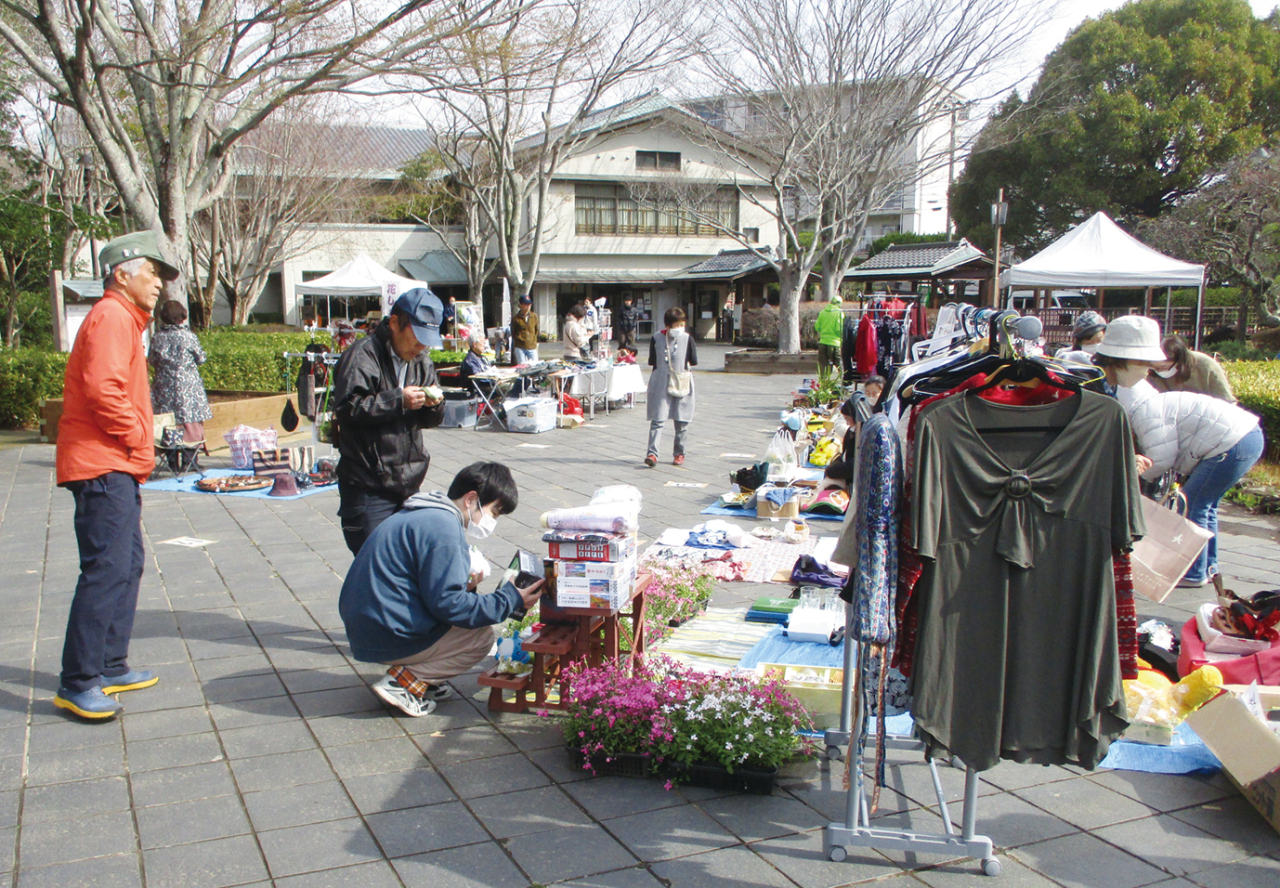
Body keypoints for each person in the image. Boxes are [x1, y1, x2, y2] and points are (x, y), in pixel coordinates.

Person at [54, 231, 179, 719]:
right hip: (102, 463)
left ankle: (109, 663)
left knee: (126, 562)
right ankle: (79, 680)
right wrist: (137, 440)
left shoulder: (124, 318)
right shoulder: (110, 316)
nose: (158, 285)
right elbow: (104, 391)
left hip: (115, 464)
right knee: (106, 569)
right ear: (122, 273)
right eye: (152, 273)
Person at [339, 462, 545, 717]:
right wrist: (510, 597)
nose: (493, 521)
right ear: (472, 498)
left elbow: (433, 590)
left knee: (469, 623)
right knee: (479, 639)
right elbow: (450, 606)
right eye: (494, 512)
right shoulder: (443, 527)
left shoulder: (427, 512)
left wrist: (467, 586)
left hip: (372, 622)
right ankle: (403, 683)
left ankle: (426, 680)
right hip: (385, 632)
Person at [1095, 316, 1263, 588]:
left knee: (1195, 502)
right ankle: (1208, 568)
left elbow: (1161, 460)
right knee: (1204, 505)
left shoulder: (1147, 412)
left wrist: (1133, 470)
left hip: (1232, 442)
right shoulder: (1151, 404)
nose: (1149, 370)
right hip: (1244, 437)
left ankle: (1195, 573)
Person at [332, 288, 446, 556]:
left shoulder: (422, 361)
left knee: (406, 570)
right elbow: (348, 409)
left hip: (408, 484)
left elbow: (432, 420)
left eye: (428, 340)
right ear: (394, 323)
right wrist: (398, 400)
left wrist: (434, 405)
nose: (422, 346)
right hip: (368, 487)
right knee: (378, 570)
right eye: (418, 337)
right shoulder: (362, 356)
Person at [148, 299, 212, 452]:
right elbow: (201, 359)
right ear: (182, 316)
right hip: (188, 386)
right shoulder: (188, 336)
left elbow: (152, 360)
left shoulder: (157, 337)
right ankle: (191, 457)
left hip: (164, 386)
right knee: (191, 420)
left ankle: (172, 458)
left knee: (169, 421)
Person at [644, 307, 698, 466]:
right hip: (660, 382)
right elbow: (652, 361)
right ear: (667, 325)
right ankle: (652, 454)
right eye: (675, 325)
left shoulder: (688, 339)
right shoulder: (656, 338)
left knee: (682, 420)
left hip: (681, 382)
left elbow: (693, 360)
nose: (679, 328)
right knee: (657, 419)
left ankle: (679, 453)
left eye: (682, 324)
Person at [1148, 335, 1237, 403]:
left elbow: (1226, 402)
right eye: (1155, 367)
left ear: (1179, 361)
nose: (1159, 371)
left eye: (1163, 367)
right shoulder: (1147, 370)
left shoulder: (1205, 365)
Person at [815, 293, 844, 370]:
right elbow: (839, 329)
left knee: (823, 366)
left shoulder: (822, 312)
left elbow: (817, 327)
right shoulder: (839, 313)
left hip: (823, 342)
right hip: (835, 343)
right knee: (839, 365)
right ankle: (842, 380)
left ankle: (824, 381)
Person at [511, 294, 539, 364]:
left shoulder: (534, 316)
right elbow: (513, 332)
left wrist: (534, 341)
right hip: (520, 346)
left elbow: (536, 330)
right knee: (522, 368)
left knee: (535, 366)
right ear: (520, 305)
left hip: (532, 346)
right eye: (525, 304)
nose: (528, 306)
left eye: (529, 304)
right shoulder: (516, 318)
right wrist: (519, 339)